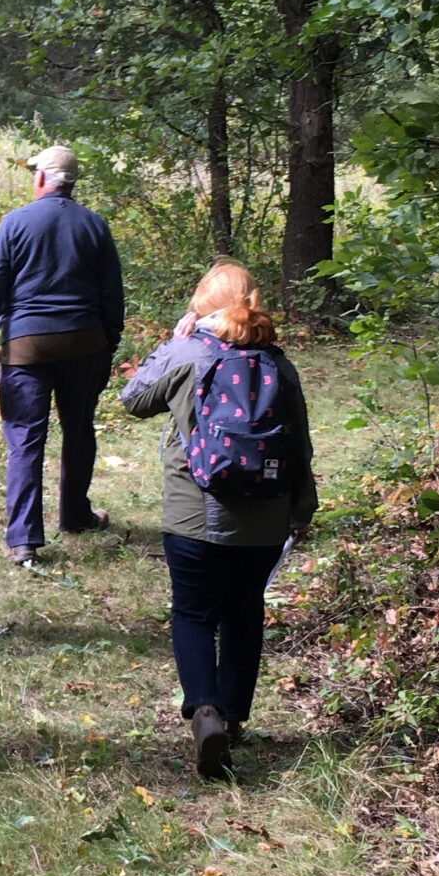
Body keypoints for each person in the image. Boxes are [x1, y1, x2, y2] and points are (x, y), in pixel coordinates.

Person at [121, 260, 318, 779]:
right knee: (243, 612)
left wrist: (171, 341)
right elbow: (299, 443)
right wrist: (302, 508)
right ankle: (232, 719)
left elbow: (133, 399)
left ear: (201, 306)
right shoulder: (279, 363)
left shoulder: (188, 351)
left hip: (193, 513)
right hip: (265, 518)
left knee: (192, 613)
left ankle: (204, 708)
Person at [0, 144, 127, 563]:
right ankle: (74, 514)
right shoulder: (94, 225)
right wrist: (109, 338)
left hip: (25, 348)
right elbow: (112, 291)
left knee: (24, 440)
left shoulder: (15, 223)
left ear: (41, 179)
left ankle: (23, 540)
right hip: (85, 344)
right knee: (79, 430)